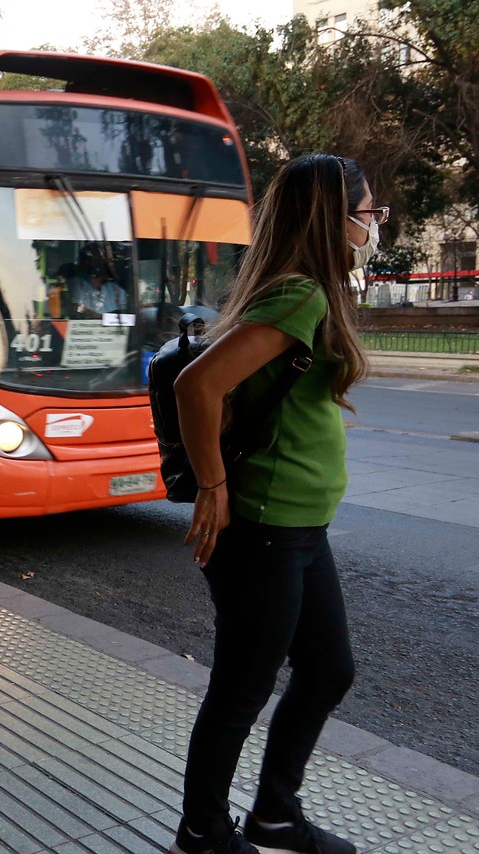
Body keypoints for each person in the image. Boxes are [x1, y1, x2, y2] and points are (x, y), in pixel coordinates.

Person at [169, 154, 376, 854]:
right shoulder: (301, 296)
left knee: (327, 670)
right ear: (334, 217)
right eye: (368, 211)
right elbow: (197, 388)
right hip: (262, 524)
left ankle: (276, 814)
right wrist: (213, 486)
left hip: (298, 527)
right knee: (242, 686)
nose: (373, 224)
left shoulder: (309, 292)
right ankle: (203, 831)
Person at [68, 246, 128, 319]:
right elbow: (75, 307)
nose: (98, 265)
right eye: (95, 261)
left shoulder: (116, 289)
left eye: (101, 262)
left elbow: (125, 311)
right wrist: (93, 315)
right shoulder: (77, 283)